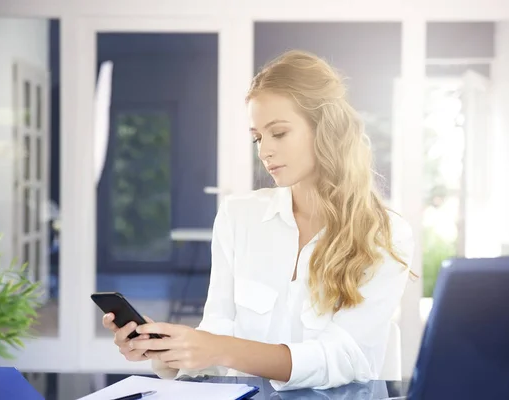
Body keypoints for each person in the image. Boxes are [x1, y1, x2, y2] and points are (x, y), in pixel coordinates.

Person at [102, 49, 415, 391]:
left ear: (327, 130)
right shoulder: (239, 217)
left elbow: (344, 358)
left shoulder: (386, 233)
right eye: (257, 137)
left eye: (278, 133)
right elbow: (217, 335)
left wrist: (218, 348)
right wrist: (167, 350)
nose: (264, 150)